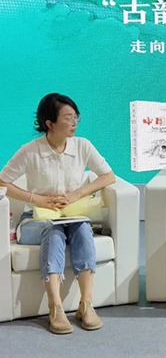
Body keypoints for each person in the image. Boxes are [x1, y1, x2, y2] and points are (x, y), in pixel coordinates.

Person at [0, 94, 115, 334]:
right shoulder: (30, 151)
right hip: (36, 220)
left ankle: (86, 304)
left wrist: (77, 194)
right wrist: (37, 198)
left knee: (83, 228)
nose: (74, 123)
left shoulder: (82, 145)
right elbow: (2, 181)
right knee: (53, 231)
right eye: (68, 118)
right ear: (50, 123)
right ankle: (56, 307)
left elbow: (108, 176)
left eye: (76, 117)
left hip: (71, 216)